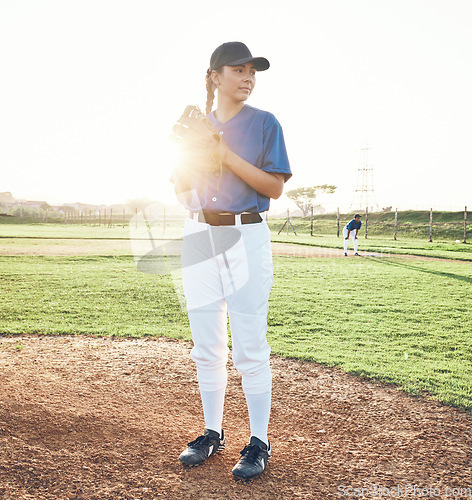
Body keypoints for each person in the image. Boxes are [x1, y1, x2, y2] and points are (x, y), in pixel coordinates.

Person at [170, 41, 291, 479]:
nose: (248, 77)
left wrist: (225, 156)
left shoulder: (264, 123)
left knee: (249, 344)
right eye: (238, 70)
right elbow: (183, 191)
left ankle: (258, 441)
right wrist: (185, 163)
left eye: (252, 72)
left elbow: (274, 188)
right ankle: (211, 431)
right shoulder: (198, 126)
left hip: (246, 233)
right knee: (206, 343)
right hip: (198, 232)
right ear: (215, 76)